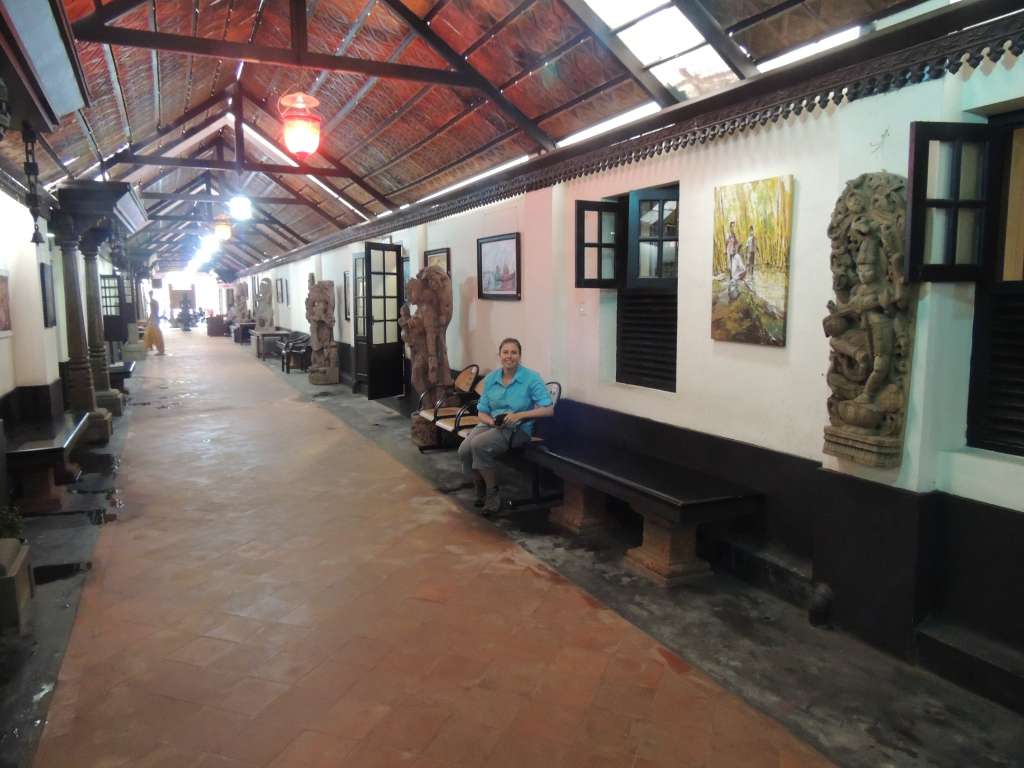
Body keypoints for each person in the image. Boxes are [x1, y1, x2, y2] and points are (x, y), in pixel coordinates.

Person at [458, 338, 554, 515]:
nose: (509, 356)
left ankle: (493, 495)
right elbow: (482, 411)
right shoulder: (492, 378)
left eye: (514, 352)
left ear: (519, 356)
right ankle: (480, 487)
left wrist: (519, 415)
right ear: (499, 355)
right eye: (506, 352)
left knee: (479, 445)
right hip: (492, 424)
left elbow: (548, 410)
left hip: (518, 429)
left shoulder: (531, 378)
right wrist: (491, 422)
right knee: (464, 450)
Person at [143, 290, 165, 355]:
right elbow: (153, 312)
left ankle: (160, 350)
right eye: (149, 294)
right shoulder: (153, 302)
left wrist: (150, 319)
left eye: (150, 294)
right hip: (154, 319)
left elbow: (153, 311)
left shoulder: (153, 302)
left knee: (155, 334)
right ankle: (149, 347)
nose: (150, 295)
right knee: (149, 333)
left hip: (154, 320)